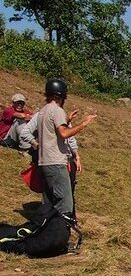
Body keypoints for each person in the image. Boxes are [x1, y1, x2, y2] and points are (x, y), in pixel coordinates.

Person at [34, 79, 95, 218]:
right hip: (56, 163)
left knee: (49, 203)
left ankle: (45, 233)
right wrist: (83, 124)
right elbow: (63, 133)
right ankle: (60, 232)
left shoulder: (43, 111)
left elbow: (51, 130)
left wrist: (67, 120)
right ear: (61, 96)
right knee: (65, 204)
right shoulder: (57, 110)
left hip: (44, 162)